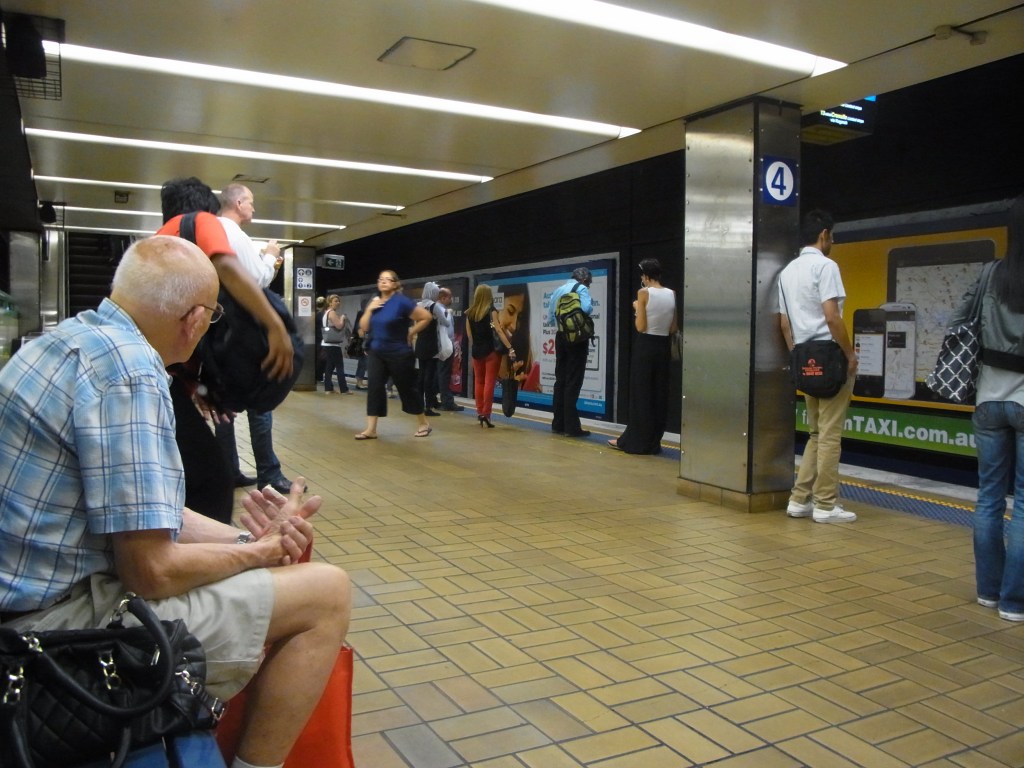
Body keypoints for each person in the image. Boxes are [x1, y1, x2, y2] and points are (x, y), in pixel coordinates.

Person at [0, 236, 351, 768]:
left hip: (24, 595)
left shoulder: (65, 340)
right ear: (192, 319)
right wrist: (258, 556)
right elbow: (151, 571)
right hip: (49, 629)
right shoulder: (133, 373)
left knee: (264, 573)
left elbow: (144, 511)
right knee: (328, 593)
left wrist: (247, 540)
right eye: (211, 318)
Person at [157, 176, 293, 518]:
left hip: (159, 372)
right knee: (210, 479)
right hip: (156, 375)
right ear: (208, 209)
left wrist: (196, 385)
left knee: (194, 469)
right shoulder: (200, 222)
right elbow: (229, 268)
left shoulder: (164, 239)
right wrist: (275, 327)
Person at [955, 195, 1024, 621]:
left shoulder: (990, 274)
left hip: (987, 401)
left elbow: (957, 324)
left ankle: (988, 592)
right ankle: (1015, 602)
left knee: (989, 498)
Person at [214, 183, 297, 495]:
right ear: (238, 202)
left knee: (223, 408)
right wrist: (272, 257)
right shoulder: (234, 233)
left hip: (219, 331)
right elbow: (257, 280)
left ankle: (228, 469)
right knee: (260, 404)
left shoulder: (212, 230)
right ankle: (269, 474)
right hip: (245, 332)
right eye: (251, 202)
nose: (253, 208)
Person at [777, 209, 858, 523]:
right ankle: (825, 504)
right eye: (832, 236)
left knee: (814, 432)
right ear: (824, 234)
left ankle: (799, 500)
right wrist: (849, 354)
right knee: (830, 435)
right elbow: (832, 316)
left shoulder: (787, 273)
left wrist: (798, 357)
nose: (832, 241)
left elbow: (785, 325)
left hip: (804, 357)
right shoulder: (826, 266)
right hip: (830, 358)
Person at [609, 258, 677, 454]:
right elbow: (674, 327)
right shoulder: (672, 294)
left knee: (641, 394)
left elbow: (641, 327)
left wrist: (636, 307)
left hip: (646, 346)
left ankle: (635, 440)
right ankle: (654, 441)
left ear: (646, 276)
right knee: (659, 394)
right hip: (663, 347)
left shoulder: (644, 293)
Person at [355, 270, 434, 439]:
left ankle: (423, 423)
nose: (383, 282)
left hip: (399, 353)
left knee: (407, 388)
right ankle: (371, 429)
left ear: (395, 283)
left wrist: (411, 331)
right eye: (380, 279)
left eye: (387, 279)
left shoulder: (402, 302)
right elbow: (365, 327)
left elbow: (426, 317)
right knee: (374, 387)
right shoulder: (375, 302)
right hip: (376, 352)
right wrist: (369, 310)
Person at [548, 268, 594, 437]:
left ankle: (557, 424)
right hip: (577, 339)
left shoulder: (558, 290)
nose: (588, 285)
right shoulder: (581, 289)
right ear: (584, 279)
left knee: (560, 380)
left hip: (561, 337)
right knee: (573, 381)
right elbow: (587, 309)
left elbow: (551, 317)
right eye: (589, 282)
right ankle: (571, 427)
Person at [466, 284, 515, 428]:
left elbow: (470, 335)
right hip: (491, 352)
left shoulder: (469, 313)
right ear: (488, 296)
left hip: (477, 352)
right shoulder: (491, 311)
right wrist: (510, 347)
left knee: (479, 382)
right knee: (489, 383)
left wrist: (476, 348)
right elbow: (499, 331)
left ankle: (480, 412)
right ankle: (486, 414)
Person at [415, 281, 445, 416]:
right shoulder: (434, 306)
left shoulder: (417, 306)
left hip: (420, 342)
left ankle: (419, 405)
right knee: (430, 376)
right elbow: (445, 321)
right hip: (432, 344)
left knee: (421, 375)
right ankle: (429, 407)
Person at [436, 287, 464, 411]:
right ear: (443, 298)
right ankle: (447, 402)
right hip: (444, 346)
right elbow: (445, 328)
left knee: (444, 373)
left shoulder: (443, 310)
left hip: (446, 345)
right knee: (444, 374)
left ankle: (444, 400)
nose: (451, 299)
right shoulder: (441, 311)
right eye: (449, 297)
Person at [321, 294, 351, 394]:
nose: (338, 303)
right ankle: (344, 389)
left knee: (329, 367)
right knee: (339, 367)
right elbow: (339, 326)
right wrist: (342, 318)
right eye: (335, 301)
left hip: (326, 343)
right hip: (333, 344)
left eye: (338, 301)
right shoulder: (332, 313)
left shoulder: (326, 313)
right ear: (330, 302)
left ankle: (328, 388)